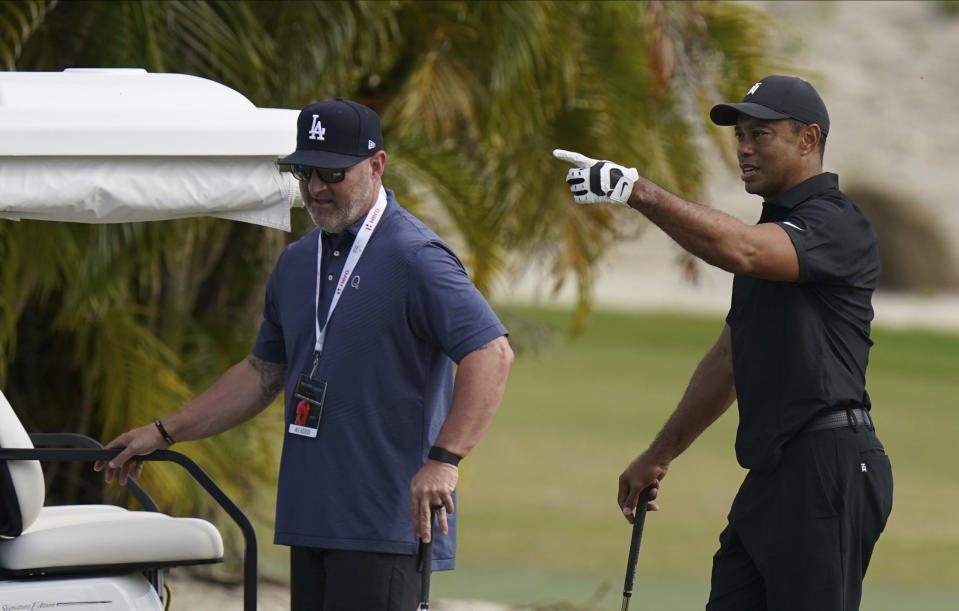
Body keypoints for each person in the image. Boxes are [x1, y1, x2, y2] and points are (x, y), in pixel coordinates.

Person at [96, 98, 513, 610]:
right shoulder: (297, 262)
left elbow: (491, 353)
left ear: (376, 165)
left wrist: (444, 461)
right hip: (310, 518)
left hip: (381, 526)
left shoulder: (416, 256)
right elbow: (261, 373)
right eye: (304, 170)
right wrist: (162, 432)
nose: (315, 187)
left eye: (332, 172)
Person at [554, 75, 893, 610]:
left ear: (808, 140)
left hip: (828, 467)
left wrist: (635, 190)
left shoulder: (834, 222)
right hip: (774, 475)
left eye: (760, 134)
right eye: (740, 136)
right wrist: (658, 455)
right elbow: (728, 361)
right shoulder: (775, 229)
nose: (744, 149)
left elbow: (742, 252)